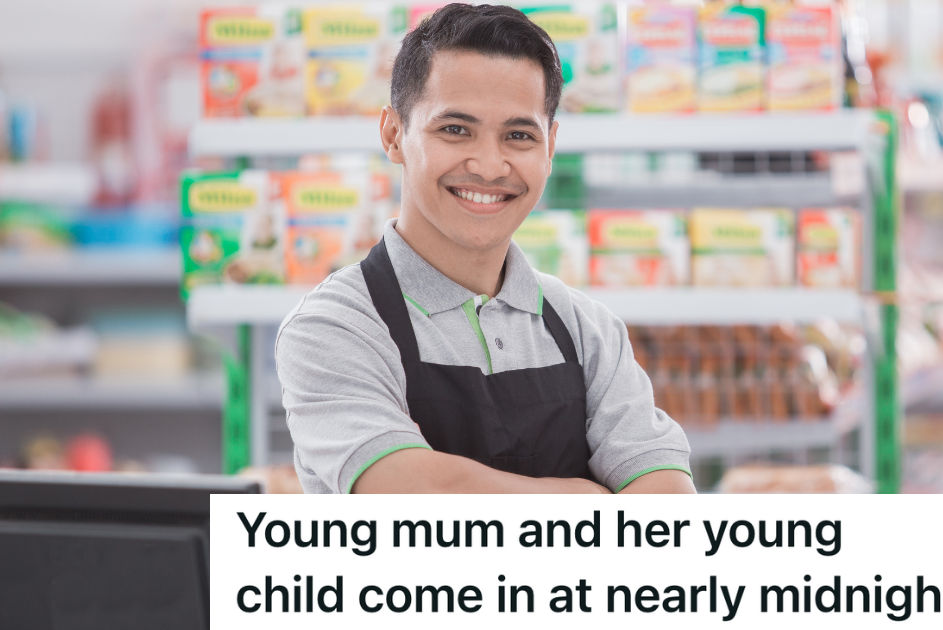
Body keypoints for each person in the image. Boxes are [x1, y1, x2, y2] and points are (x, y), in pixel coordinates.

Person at [276, 3, 694, 494]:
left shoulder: (586, 330)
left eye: (518, 135)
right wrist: (593, 498)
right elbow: (414, 501)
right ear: (394, 135)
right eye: (456, 129)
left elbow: (667, 508)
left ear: (550, 147)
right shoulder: (336, 327)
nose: (490, 166)